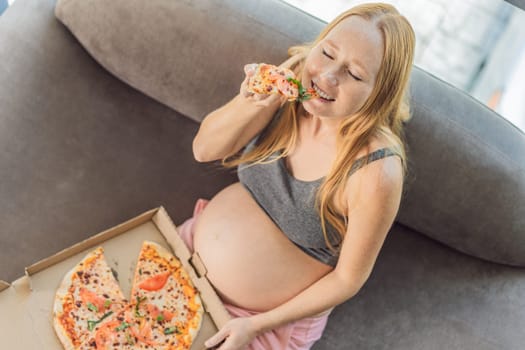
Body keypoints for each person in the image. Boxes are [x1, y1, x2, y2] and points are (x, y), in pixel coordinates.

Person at [174, 2, 415, 349]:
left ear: (380, 93)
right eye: (328, 53)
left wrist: (255, 326)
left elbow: (348, 279)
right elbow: (204, 149)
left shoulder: (376, 169)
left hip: (258, 323)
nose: (328, 76)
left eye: (355, 74)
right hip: (188, 250)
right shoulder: (290, 83)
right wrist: (253, 103)